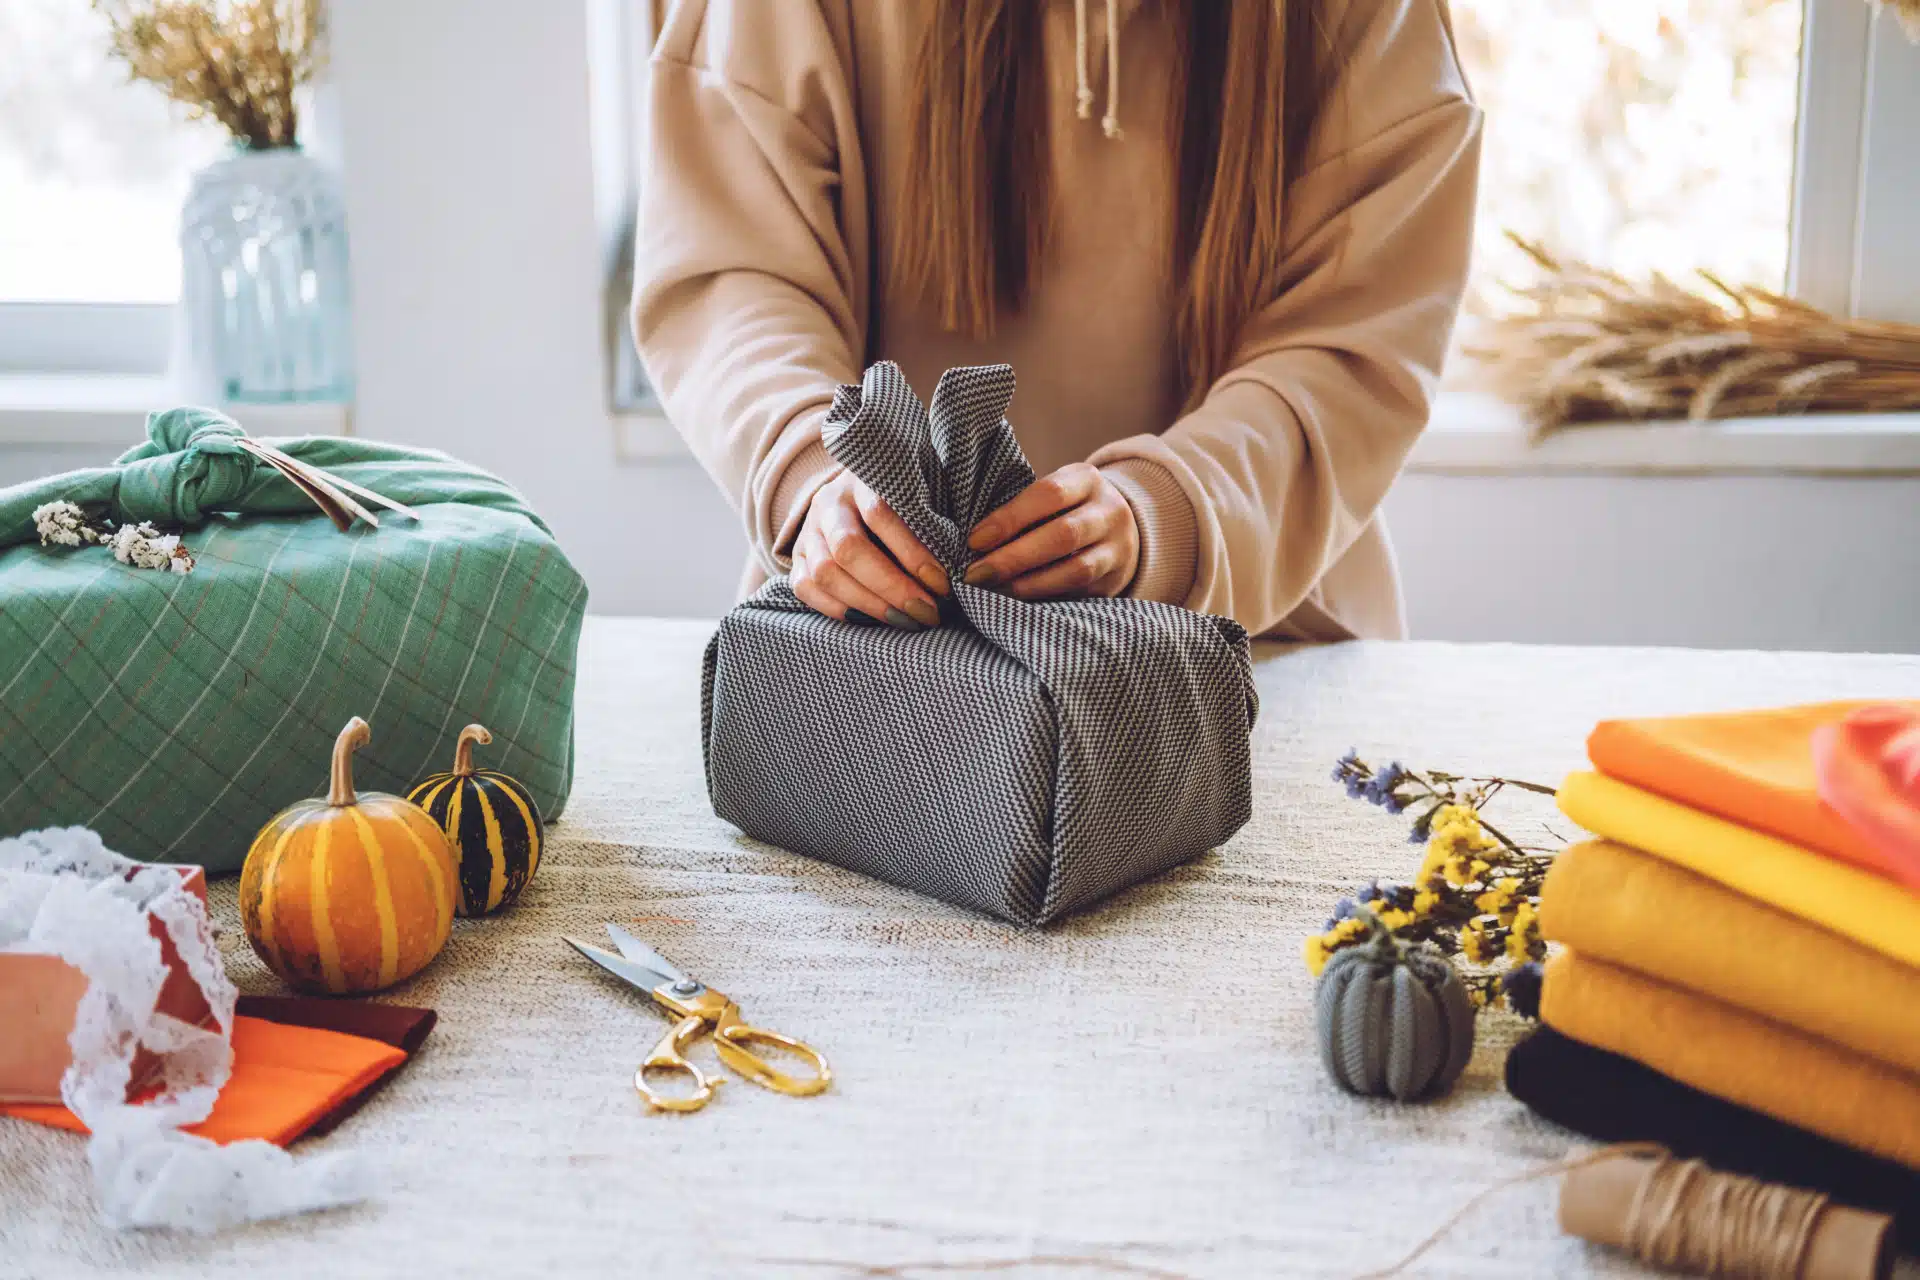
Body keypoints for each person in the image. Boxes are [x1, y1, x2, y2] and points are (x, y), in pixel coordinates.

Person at [634, 0, 1481, 639]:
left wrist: (1166, 517)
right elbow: (735, 274)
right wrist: (812, 470)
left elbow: (1351, 348)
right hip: (879, 646)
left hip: (1263, 649)